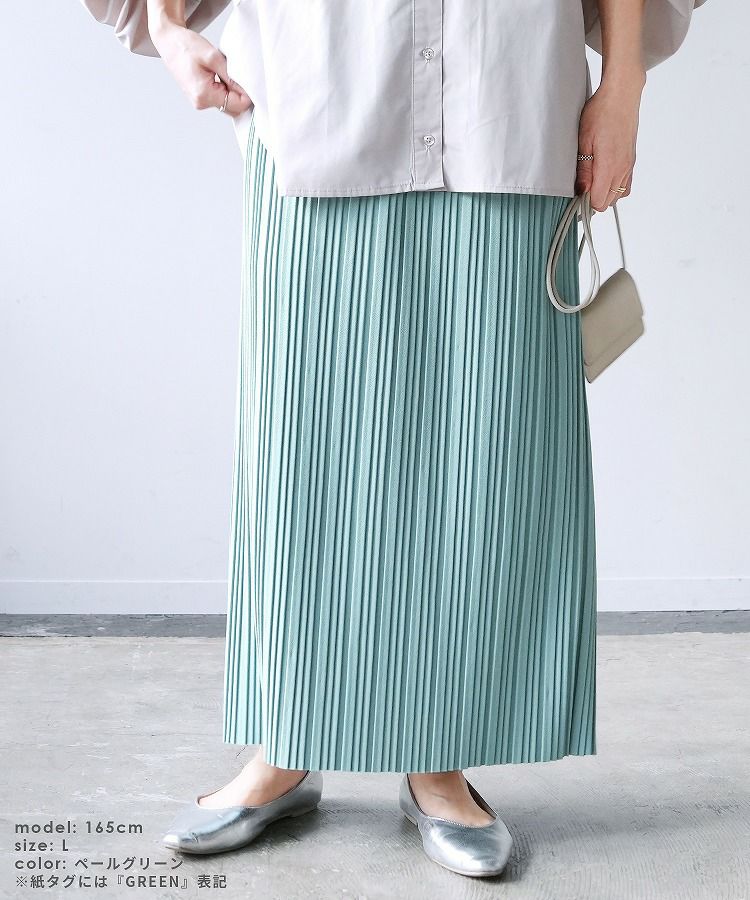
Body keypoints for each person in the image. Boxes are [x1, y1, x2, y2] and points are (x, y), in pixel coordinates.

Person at [139, 0, 708, 879]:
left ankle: (437, 758)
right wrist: (167, 26)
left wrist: (623, 80)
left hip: (507, 87)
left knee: (486, 453)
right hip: (318, 86)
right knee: (307, 454)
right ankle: (288, 742)